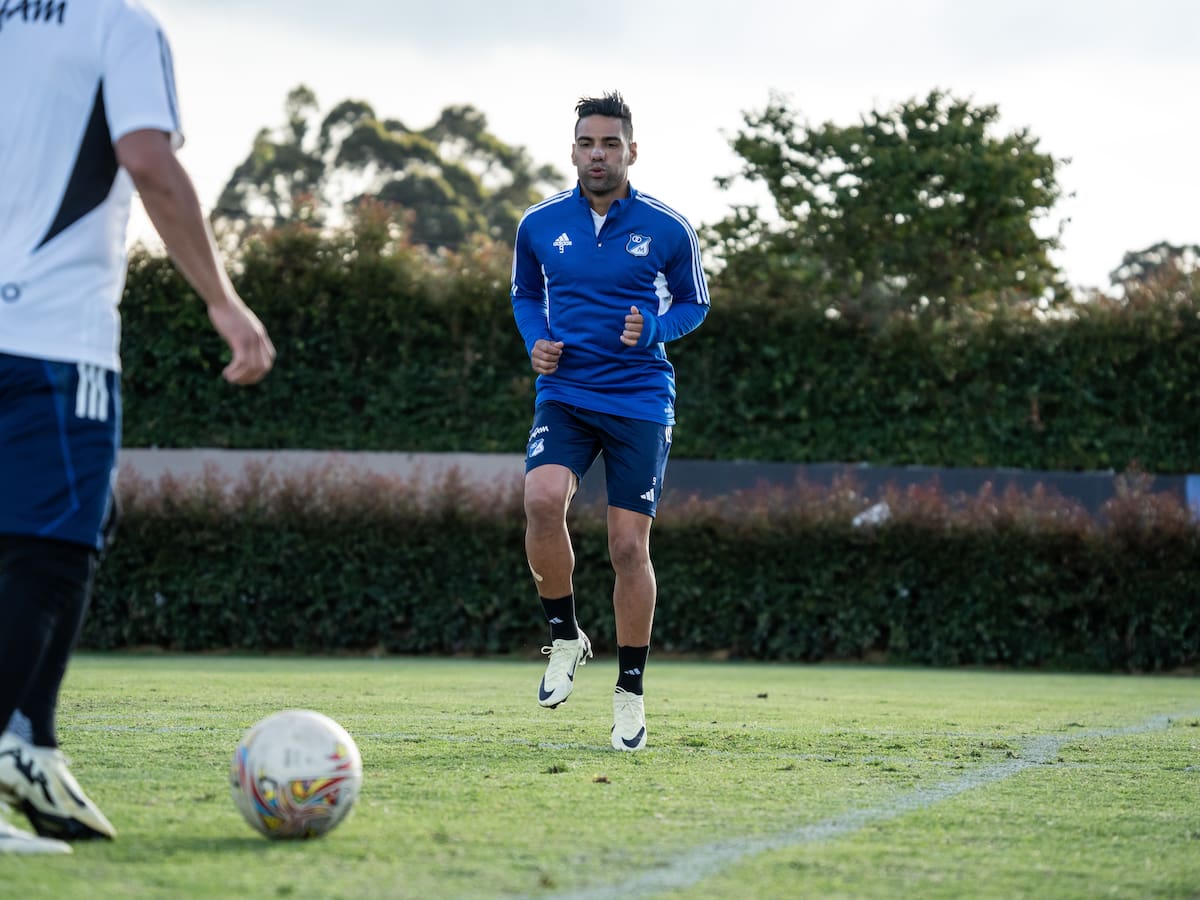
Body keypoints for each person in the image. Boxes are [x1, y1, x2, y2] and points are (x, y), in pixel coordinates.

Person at [0, 1, 275, 853]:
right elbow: (148, 163)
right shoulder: (119, 25)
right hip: (49, 337)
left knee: (68, 525)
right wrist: (224, 303)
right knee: (54, 550)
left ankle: (32, 746)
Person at [510, 91, 710, 751]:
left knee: (627, 547)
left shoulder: (669, 227)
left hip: (639, 400)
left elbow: (694, 303)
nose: (599, 154)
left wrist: (654, 326)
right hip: (565, 393)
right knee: (541, 500)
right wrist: (535, 340)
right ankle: (565, 636)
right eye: (588, 143)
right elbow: (525, 295)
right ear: (573, 150)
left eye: (611, 144)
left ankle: (630, 690)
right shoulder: (538, 224)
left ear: (631, 150)